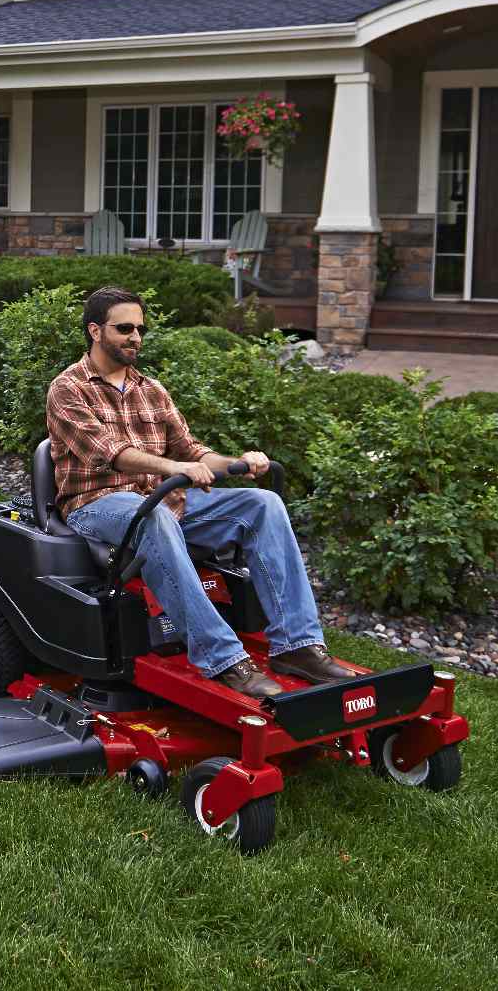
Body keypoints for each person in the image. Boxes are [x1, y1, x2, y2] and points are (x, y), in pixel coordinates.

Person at [44, 285, 354, 698]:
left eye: (140, 328)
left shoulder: (151, 389)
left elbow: (191, 451)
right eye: (124, 328)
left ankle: (297, 647)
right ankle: (224, 658)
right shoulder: (68, 389)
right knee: (152, 515)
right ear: (95, 331)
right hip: (97, 503)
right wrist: (175, 468)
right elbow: (111, 453)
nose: (136, 336)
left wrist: (239, 464)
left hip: (163, 498)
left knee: (263, 504)